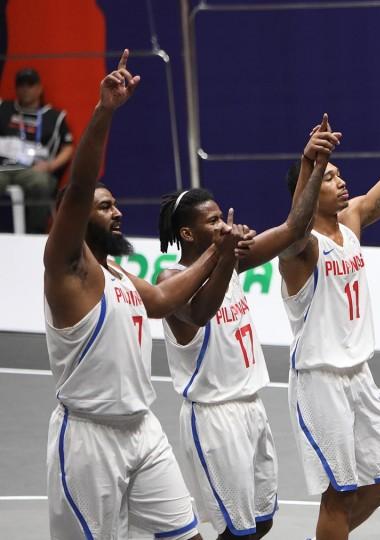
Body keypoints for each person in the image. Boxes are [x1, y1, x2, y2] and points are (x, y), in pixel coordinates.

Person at [43, 50, 233, 540]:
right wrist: (105, 110)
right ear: (74, 217)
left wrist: (217, 251)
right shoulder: (66, 267)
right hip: (89, 438)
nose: (117, 213)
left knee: (186, 535)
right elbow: (82, 182)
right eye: (105, 207)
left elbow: (166, 301)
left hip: (142, 430)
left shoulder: (120, 277)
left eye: (117, 205)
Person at [278, 57, 380, 540]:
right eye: (330, 177)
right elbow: (292, 228)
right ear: (308, 190)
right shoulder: (298, 248)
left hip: (358, 375)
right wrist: (312, 163)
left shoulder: (350, 223)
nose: (340, 180)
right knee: (339, 494)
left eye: (337, 174)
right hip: (320, 379)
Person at [156, 113, 341, 540]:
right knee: (236, 531)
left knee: (261, 522)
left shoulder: (232, 260)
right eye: (212, 221)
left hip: (251, 407)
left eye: (223, 218)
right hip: (214, 419)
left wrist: (310, 163)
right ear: (187, 233)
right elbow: (200, 311)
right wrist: (224, 256)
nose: (222, 226)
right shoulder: (170, 281)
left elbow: (296, 227)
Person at [0, 67, 73, 232]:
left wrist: (50, 166)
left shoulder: (54, 116)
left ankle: (35, 235)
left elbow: (68, 147)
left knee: (40, 182)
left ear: (39, 88)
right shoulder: (3, 108)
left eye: (30, 84)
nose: (25, 89)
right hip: (3, 168)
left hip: (33, 170)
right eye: (21, 85)